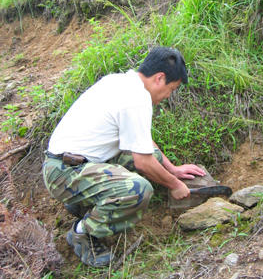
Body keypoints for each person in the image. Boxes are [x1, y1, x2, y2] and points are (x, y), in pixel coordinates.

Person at [43, 47, 205, 267]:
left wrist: (173, 169)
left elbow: (144, 143)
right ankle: (82, 233)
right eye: (172, 89)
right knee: (139, 190)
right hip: (64, 172)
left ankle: (84, 202)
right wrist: (175, 185)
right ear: (160, 78)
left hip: (70, 163)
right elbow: (143, 163)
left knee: (148, 154)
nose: (168, 96)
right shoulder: (136, 99)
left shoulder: (120, 82)